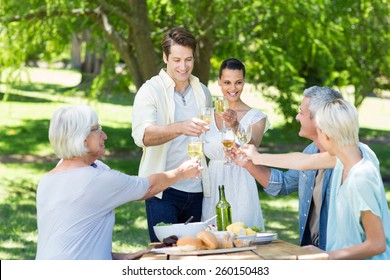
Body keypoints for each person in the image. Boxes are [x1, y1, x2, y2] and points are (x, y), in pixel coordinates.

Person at [35, 105, 201, 260]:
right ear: (83, 140)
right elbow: (149, 187)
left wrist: (118, 257)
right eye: (97, 130)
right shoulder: (96, 180)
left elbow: (68, 242)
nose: (104, 136)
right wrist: (182, 172)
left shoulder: (47, 180)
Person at [241, 98, 390, 260]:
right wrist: (255, 157)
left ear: (326, 135)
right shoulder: (341, 160)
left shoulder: (361, 178)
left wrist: (326, 256)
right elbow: (302, 161)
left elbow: (377, 244)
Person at [232, 86, 342, 250]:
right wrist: (248, 163)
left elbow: (302, 161)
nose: (297, 117)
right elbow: (282, 185)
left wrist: (257, 157)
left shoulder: (347, 158)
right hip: (310, 251)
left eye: (301, 112)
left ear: (318, 120)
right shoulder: (311, 150)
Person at [131, 27, 212, 242]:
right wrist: (180, 127)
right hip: (163, 191)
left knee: (196, 255)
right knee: (165, 255)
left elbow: (210, 134)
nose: (183, 67)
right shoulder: (150, 91)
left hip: (197, 188)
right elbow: (143, 135)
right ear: (165, 57)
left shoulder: (202, 91)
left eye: (188, 59)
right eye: (176, 60)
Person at [201, 58, 269, 229]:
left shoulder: (256, 117)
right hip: (213, 182)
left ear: (244, 82)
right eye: (227, 82)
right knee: (212, 239)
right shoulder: (206, 115)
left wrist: (235, 125)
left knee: (243, 236)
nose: (232, 88)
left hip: (242, 183)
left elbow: (251, 148)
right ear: (219, 82)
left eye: (238, 82)